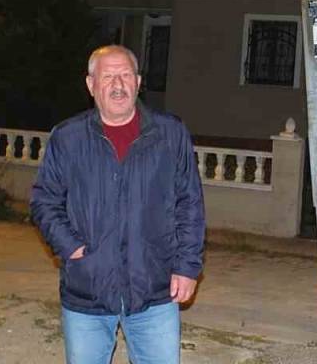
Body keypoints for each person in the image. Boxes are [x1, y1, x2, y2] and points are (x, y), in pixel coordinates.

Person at [31, 45, 205, 364]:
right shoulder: (68, 138)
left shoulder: (170, 134)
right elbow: (44, 200)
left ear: (138, 82)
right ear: (91, 85)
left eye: (125, 75)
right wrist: (72, 248)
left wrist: (187, 266)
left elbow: (189, 204)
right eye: (108, 76)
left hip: (155, 289)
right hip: (88, 290)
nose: (117, 84)